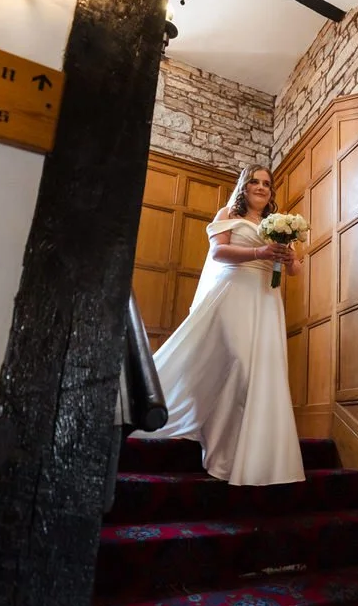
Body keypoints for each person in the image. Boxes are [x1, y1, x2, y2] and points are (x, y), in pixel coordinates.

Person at [130, 165, 307, 486]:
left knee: (258, 373)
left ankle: (245, 452)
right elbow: (218, 252)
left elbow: (295, 269)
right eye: (254, 181)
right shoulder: (228, 212)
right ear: (244, 186)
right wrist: (260, 250)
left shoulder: (278, 225)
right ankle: (218, 447)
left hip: (265, 300)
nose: (261, 187)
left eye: (267, 183)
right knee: (238, 362)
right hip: (233, 292)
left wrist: (288, 257)